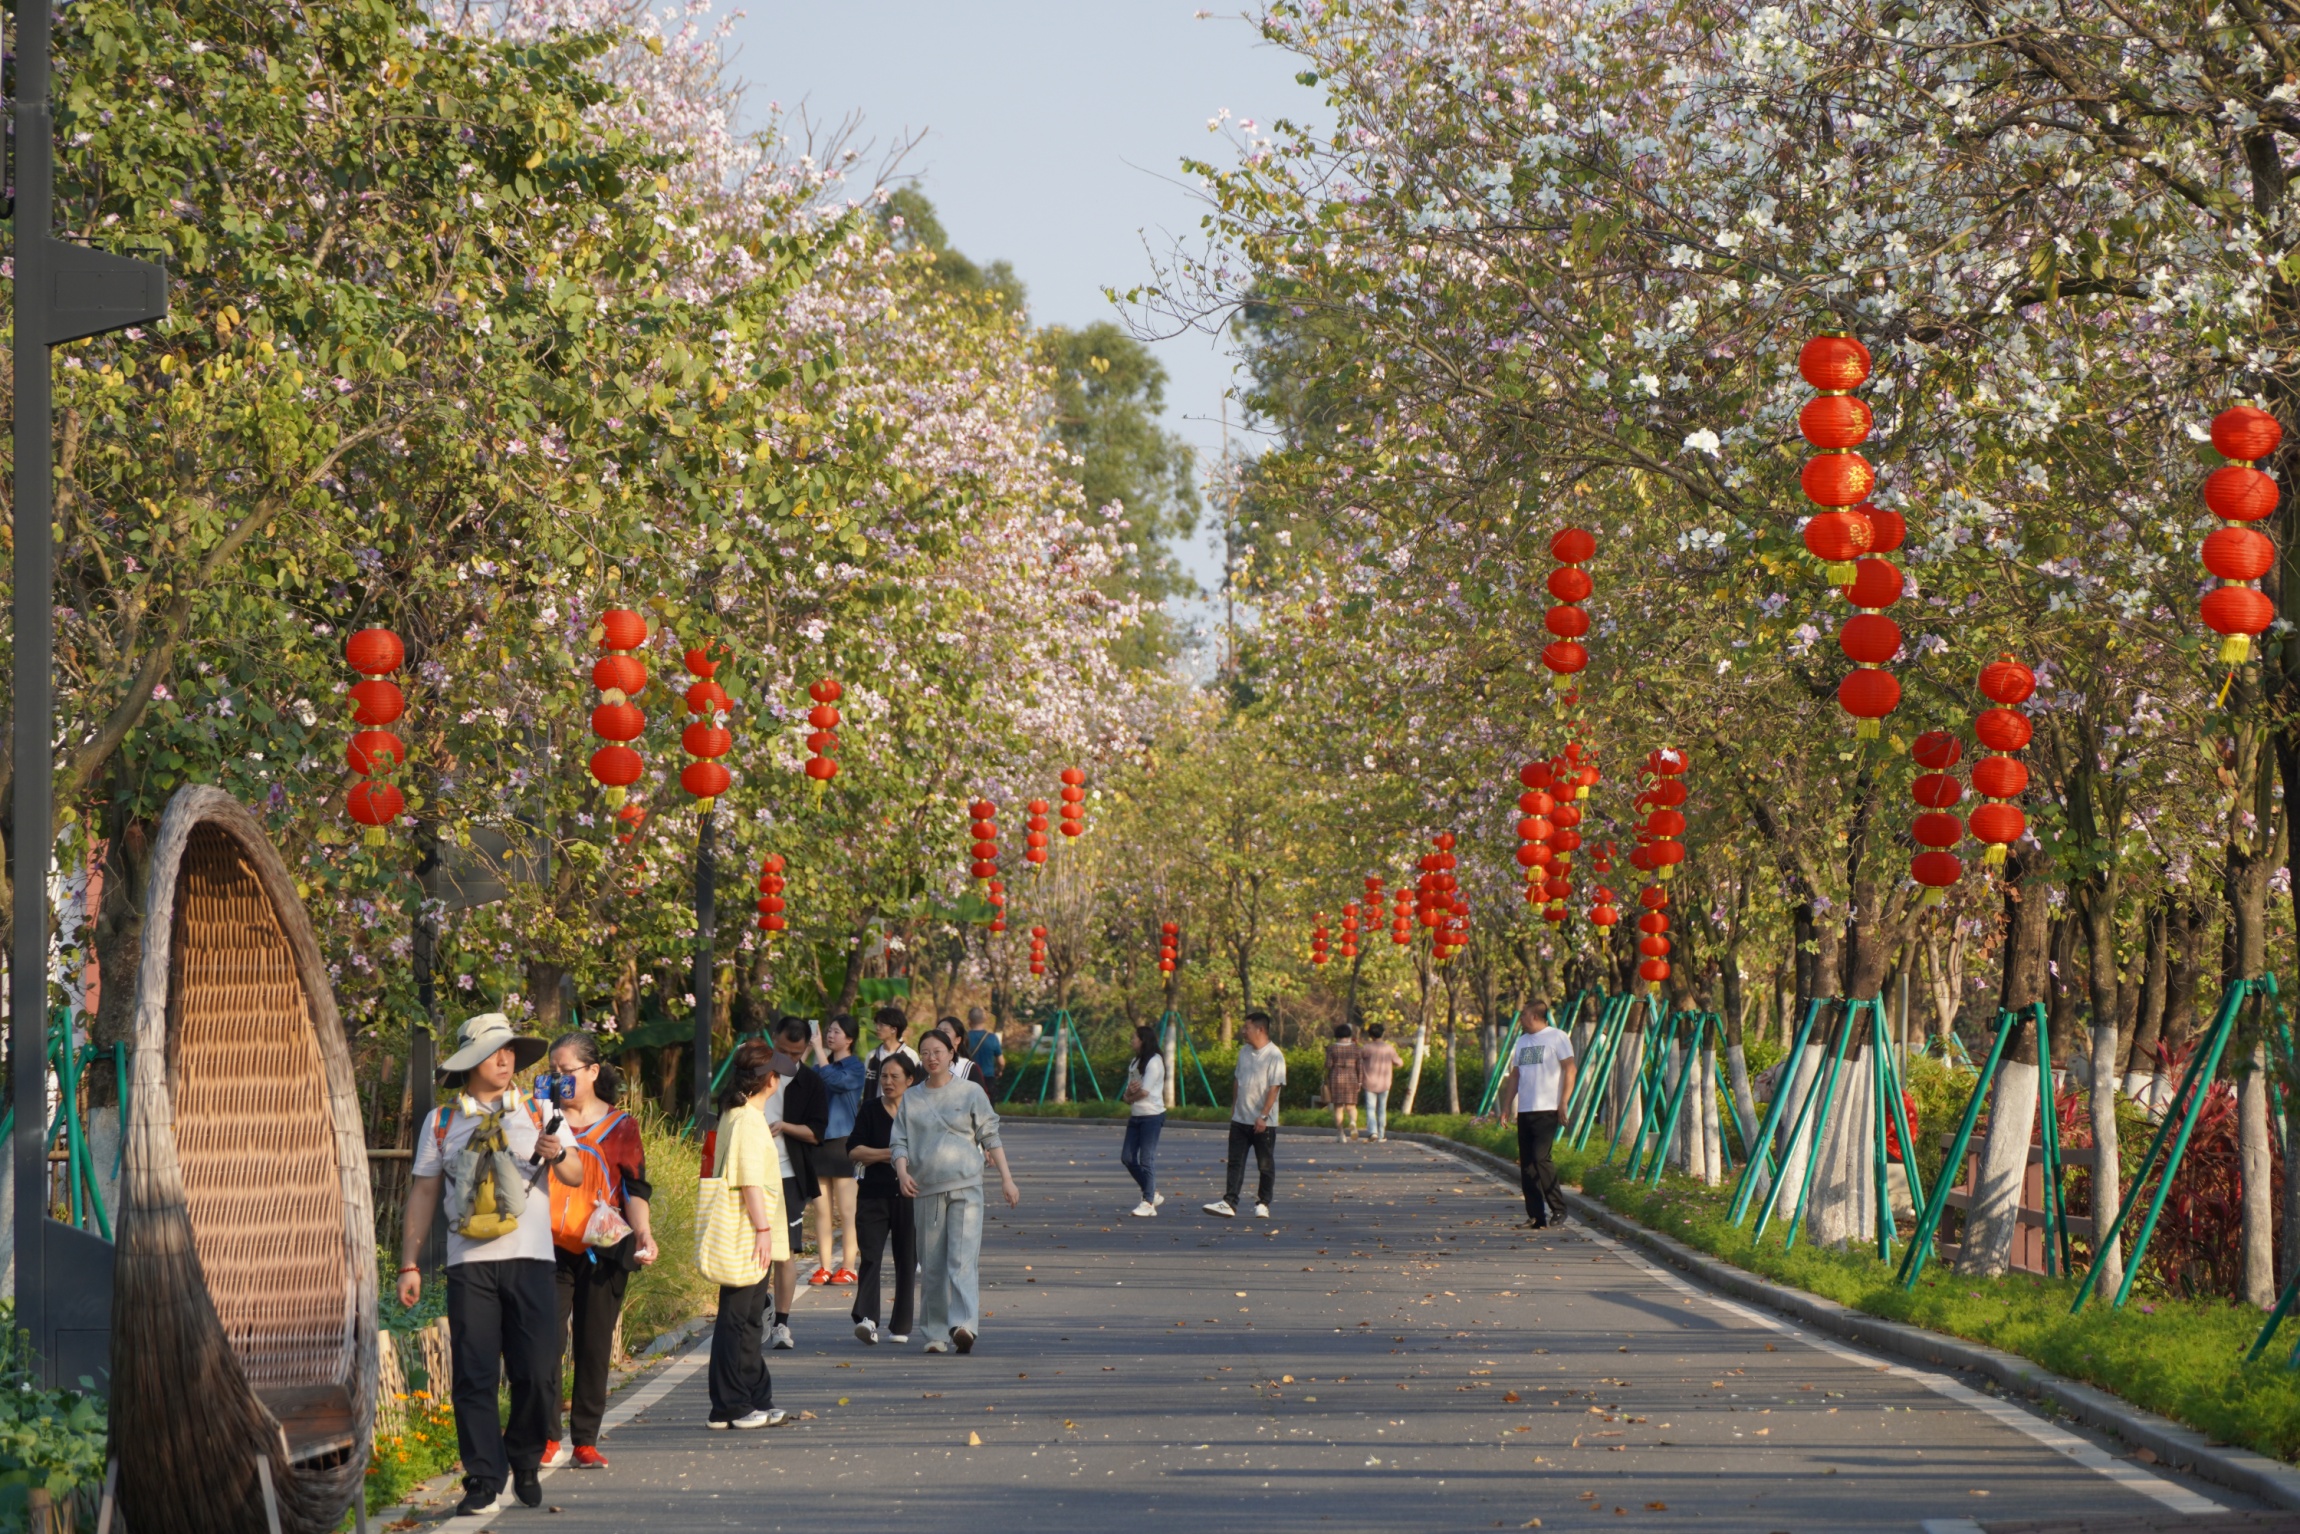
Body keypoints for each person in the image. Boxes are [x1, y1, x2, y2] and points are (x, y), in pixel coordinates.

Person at [399, 1014, 583, 1516]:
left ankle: (523, 1458)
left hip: (531, 1262)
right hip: (469, 1266)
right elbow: (423, 1193)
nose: (505, 1059)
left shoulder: (540, 1107)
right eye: (493, 1051)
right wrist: (409, 1263)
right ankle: (483, 1475)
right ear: (470, 1063)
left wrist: (557, 1148)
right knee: (475, 1376)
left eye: (510, 1051)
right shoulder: (441, 1122)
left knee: (539, 1370)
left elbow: (574, 1171)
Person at [542, 1031, 658, 1471]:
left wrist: (644, 1233)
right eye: (552, 1072)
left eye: (566, 1071)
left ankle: (585, 1440)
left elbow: (635, 1186)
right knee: (545, 1345)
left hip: (605, 1247)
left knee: (593, 1346)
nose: (558, 1079)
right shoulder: (541, 1116)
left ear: (591, 1071)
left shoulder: (622, 1125)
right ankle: (547, 1438)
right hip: (547, 1245)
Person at [893, 1029, 1021, 1354]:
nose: (932, 1058)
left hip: (967, 1187)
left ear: (952, 1053)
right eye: (925, 1052)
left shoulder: (971, 1092)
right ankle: (935, 1333)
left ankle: (964, 1325)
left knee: (963, 1260)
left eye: (938, 1051)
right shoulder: (911, 1097)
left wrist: (1007, 1179)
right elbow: (899, 1141)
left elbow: (990, 1135)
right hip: (926, 1190)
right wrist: (902, 1172)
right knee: (932, 1264)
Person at [707, 1039, 789, 1429]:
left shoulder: (740, 1114)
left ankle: (753, 1397)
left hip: (748, 1230)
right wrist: (762, 1230)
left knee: (749, 1318)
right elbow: (749, 1182)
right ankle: (731, 1404)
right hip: (746, 1230)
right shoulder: (745, 1119)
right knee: (738, 1319)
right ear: (768, 1080)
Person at [763, 1016, 829, 1349]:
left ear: (805, 1049)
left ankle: (781, 1324)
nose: (788, 1059)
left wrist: (784, 1126)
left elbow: (817, 1132)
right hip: (753, 1174)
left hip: (790, 1175)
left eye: (795, 1053)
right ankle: (757, 1311)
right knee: (751, 1248)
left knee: (784, 1251)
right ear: (772, 1038)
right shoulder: (755, 1071)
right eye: (782, 1051)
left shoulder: (812, 1083)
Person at [847, 1051, 918, 1344]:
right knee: (871, 1256)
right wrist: (892, 1154)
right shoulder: (870, 1109)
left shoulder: (918, 1112)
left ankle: (901, 1325)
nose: (888, 1082)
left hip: (909, 1194)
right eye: (884, 1076)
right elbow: (854, 1151)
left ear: (910, 1080)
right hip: (872, 1195)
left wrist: (876, 1155)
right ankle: (867, 1318)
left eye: (895, 1077)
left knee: (907, 1259)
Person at [1488, 1002, 1578, 1228]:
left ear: (1536, 1016)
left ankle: (1559, 1209)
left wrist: (1564, 1102)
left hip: (1548, 1108)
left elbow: (1570, 1069)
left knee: (1541, 1158)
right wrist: (1507, 1106)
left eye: (1524, 1016)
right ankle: (1536, 1216)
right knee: (1527, 1164)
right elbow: (1515, 1076)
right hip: (1526, 1110)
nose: (1520, 1020)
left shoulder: (1557, 1037)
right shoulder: (1522, 1041)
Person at [1204, 1010, 1286, 1220]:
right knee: (1235, 1162)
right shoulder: (1243, 1052)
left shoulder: (1274, 1055)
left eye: (1246, 1028)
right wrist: (1234, 1106)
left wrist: (1264, 1116)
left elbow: (1274, 1088)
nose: (1243, 1031)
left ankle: (1263, 1203)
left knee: (1265, 1164)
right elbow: (1237, 1080)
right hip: (1240, 1118)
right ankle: (1230, 1202)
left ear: (1260, 1029)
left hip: (1263, 1122)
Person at [807, 1015, 866, 1288]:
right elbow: (800, 1081)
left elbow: (836, 1082)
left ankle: (849, 1267)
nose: (830, 1035)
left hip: (843, 1142)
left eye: (836, 1032)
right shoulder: (819, 1065)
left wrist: (820, 1052)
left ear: (849, 1039)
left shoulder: (855, 1067)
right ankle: (824, 1266)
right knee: (821, 1210)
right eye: (828, 1031)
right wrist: (809, 1049)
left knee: (847, 1210)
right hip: (818, 1142)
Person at [1119, 1023, 1167, 1217]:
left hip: (1152, 1116)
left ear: (1143, 1040)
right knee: (1128, 1158)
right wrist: (1128, 1096)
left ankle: (1148, 1202)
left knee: (1146, 1159)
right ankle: (1152, 1192)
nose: (1132, 1041)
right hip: (1136, 1115)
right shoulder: (1134, 1062)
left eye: (1135, 1038)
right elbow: (1129, 1091)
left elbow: (1144, 1091)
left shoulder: (1155, 1061)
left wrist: (1130, 1097)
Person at [863, 1005, 921, 1099]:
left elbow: (917, 1086)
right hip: (873, 1111)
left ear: (894, 1029)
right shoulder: (872, 1056)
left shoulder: (910, 1055)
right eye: (876, 1024)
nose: (877, 1028)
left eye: (881, 1025)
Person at [1359, 1023, 1403, 1143]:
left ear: (1370, 1035)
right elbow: (1399, 1063)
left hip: (1369, 1082)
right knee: (1382, 1109)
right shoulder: (1389, 1048)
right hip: (1385, 1083)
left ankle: (1372, 1132)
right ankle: (1381, 1135)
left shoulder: (1366, 1048)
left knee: (1370, 1108)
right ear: (1382, 1033)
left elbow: (1357, 1059)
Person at [1323, 1023, 1364, 1142]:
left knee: (1338, 1107)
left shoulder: (1332, 1048)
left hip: (1336, 1077)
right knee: (1351, 1106)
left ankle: (1340, 1134)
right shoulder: (1356, 1048)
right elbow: (1360, 1066)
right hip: (1352, 1077)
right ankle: (1352, 1121)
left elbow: (1328, 1065)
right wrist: (1360, 1082)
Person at [964, 1004, 1005, 1089]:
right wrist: (999, 1071)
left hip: (968, 1078)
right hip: (988, 1079)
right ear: (984, 1020)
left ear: (969, 1021)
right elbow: (1001, 1062)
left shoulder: (963, 1038)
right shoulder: (992, 1038)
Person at [934, 1018, 979, 1083]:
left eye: (946, 1032)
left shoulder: (969, 1068)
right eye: (938, 1030)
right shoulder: (923, 1065)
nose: (940, 1034)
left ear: (957, 1040)